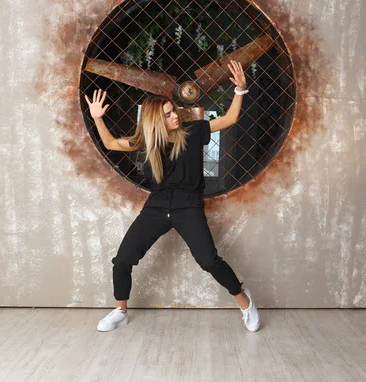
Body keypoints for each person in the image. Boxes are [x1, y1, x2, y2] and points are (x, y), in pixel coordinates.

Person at [85, 59, 259, 332]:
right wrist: (97, 117)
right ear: (155, 119)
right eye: (167, 114)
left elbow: (229, 119)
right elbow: (109, 143)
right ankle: (120, 310)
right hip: (156, 207)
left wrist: (239, 91)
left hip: (188, 206)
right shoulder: (146, 141)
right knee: (122, 260)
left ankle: (245, 302)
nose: (175, 115)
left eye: (173, 111)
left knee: (209, 261)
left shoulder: (193, 131)